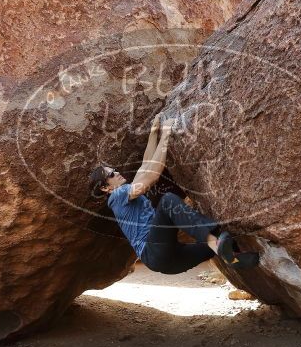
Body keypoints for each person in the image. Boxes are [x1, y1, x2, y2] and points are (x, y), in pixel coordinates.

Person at [88, 114, 258, 274]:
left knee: (220, 240)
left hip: (168, 259)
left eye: (114, 170)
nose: (116, 173)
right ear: (105, 188)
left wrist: (153, 133)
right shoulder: (117, 196)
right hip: (153, 250)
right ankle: (217, 244)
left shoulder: (125, 194)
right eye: (111, 175)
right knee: (168, 201)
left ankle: (234, 259)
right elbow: (153, 175)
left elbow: (146, 165)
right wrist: (166, 135)